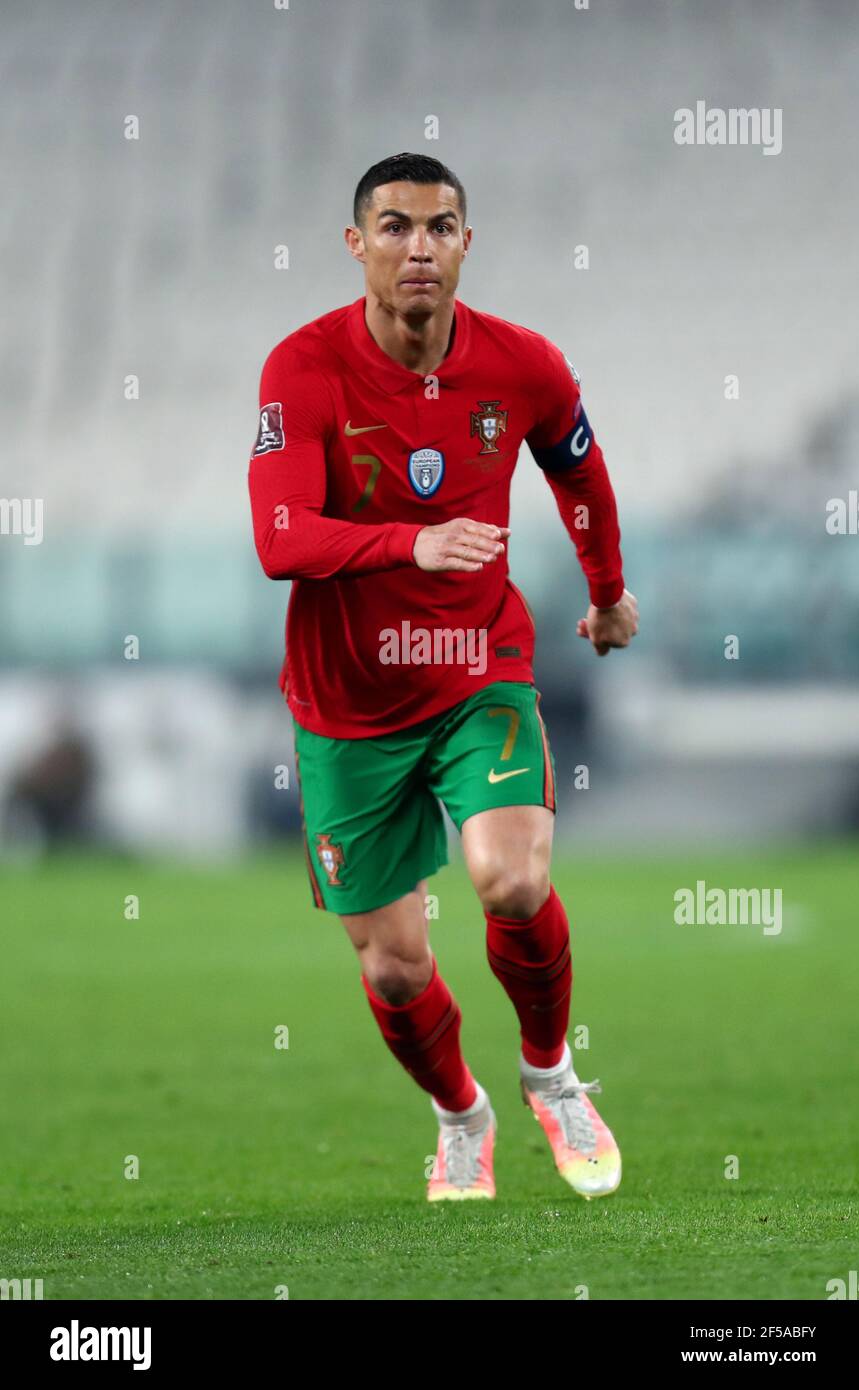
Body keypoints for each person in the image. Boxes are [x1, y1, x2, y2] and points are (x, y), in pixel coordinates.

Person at [248, 152, 639, 1201]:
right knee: (393, 966)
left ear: (466, 242)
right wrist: (404, 546)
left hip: (477, 669)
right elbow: (279, 538)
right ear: (355, 245)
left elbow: (577, 469)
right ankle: (462, 1115)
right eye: (393, 227)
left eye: (438, 226)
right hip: (346, 704)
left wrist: (604, 592)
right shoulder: (301, 368)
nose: (417, 245)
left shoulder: (523, 365)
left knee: (511, 877)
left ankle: (551, 1076)